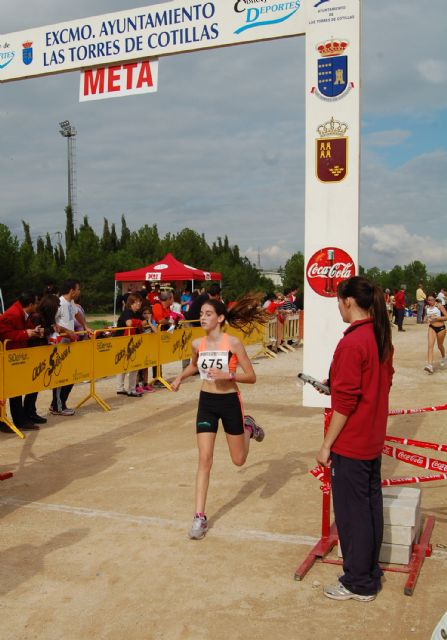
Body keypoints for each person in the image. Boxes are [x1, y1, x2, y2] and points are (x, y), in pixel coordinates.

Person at [316, 276, 394, 602]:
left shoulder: (352, 342)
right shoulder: (379, 337)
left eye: (338, 301)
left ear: (348, 301)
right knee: (369, 508)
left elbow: (346, 404)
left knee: (351, 514)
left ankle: (358, 581)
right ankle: (367, 572)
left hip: (353, 442)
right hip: (372, 438)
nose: (338, 308)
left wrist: (325, 445)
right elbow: (376, 385)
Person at [171, 293, 268, 540]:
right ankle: (199, 517)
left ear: (221, 318)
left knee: (238, 460)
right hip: (207, 402)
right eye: (201, 314)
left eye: (208, 314)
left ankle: (248, 428)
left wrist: (229, 376)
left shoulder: (233, 343)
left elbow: (252, 376)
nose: (202, 317)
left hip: (229, 401)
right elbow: (194, 365)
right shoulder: (197, 344)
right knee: (205, 459)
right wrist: (181, 377)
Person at [0, 291, 43, 432]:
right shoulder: (13, 314)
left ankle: (19, 420)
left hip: (17, 356)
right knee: (11, 390)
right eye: (36, 303)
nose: (37, 305)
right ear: (30, 305)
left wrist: (33, 331)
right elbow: (5, 334)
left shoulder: (21, 312)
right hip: (10, 356)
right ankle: (11, 420)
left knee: (16, 389)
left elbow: (21, 328)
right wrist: (26, 333)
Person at [50, 279, 92, 416]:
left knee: (71, 375)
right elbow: (52, 323)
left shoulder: (71, 303)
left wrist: (85, 326)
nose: (79, 291)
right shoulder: (59, 303)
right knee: (60, 375)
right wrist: (66, 331)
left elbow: (77, 314)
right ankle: (57, 406)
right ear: (72, 291)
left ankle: (59, 404)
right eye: (78, 289)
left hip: (70, 342)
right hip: (61, 342)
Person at [116, 294, 144, 397]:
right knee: (124, 364)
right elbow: (129, 323)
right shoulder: (127, 312)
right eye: (137, 302)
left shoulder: (137, 313)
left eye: (140, 302)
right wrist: (140, 322)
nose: (139, 304)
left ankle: (131, 388)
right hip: (123, 340)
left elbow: (144, 322)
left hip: (132, 341)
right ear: (131, 303)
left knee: (133, 364)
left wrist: (140, 322)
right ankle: (122, 388)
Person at [423, 293, 447, 374]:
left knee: (440, 345)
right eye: (428, 300)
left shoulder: (439, 306)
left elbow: (446, 317)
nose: (430, 301)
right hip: (432, 327)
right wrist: (426, 319)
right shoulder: (426, 307)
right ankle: (430, 365)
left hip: (441, 328)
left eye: (432, 300)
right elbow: (426, 317)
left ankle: (444, 357)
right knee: (430, 346)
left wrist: (437, 318)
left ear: (435, 299)